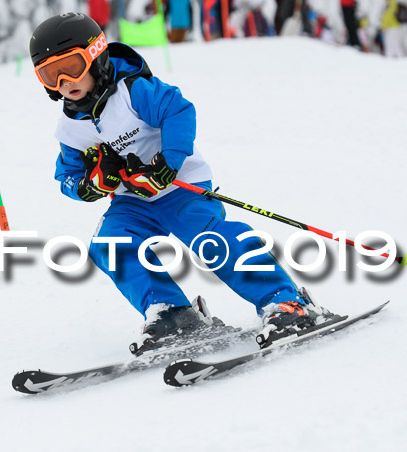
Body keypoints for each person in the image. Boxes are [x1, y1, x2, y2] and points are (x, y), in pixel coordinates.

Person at [28, 12, 331, 354]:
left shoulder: (134, 92)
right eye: (50, 74)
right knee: (109, 244)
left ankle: (285, 302)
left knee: (211, 240)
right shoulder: (70, 130)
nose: (64, 81)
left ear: (97, 54)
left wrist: (168, 163)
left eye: (71, 65)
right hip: (133, 202)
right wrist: (90, 185)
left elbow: (178, 110)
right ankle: (173, 313)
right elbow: (67, 176)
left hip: (182, 188)